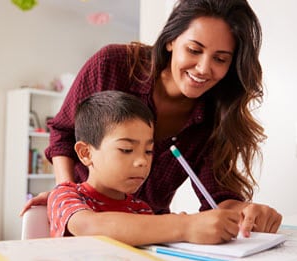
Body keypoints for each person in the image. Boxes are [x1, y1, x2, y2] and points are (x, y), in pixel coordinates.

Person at [21, 0, 282, 240]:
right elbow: (64, 133)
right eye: (194, 49)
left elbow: (218, 196)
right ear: (171, 40)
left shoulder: (215, 115)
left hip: (151, 235)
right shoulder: (111, 64)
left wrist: (244, 212)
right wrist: (66, 191)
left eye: (220, 59)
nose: (203, 68)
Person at [49, 90, 234, 246]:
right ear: (86, 153)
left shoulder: (140, 209)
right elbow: (89, 226)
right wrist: (184, 226)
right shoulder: (66, 196)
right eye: (126, 149)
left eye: (148, 151)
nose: (142, 162)